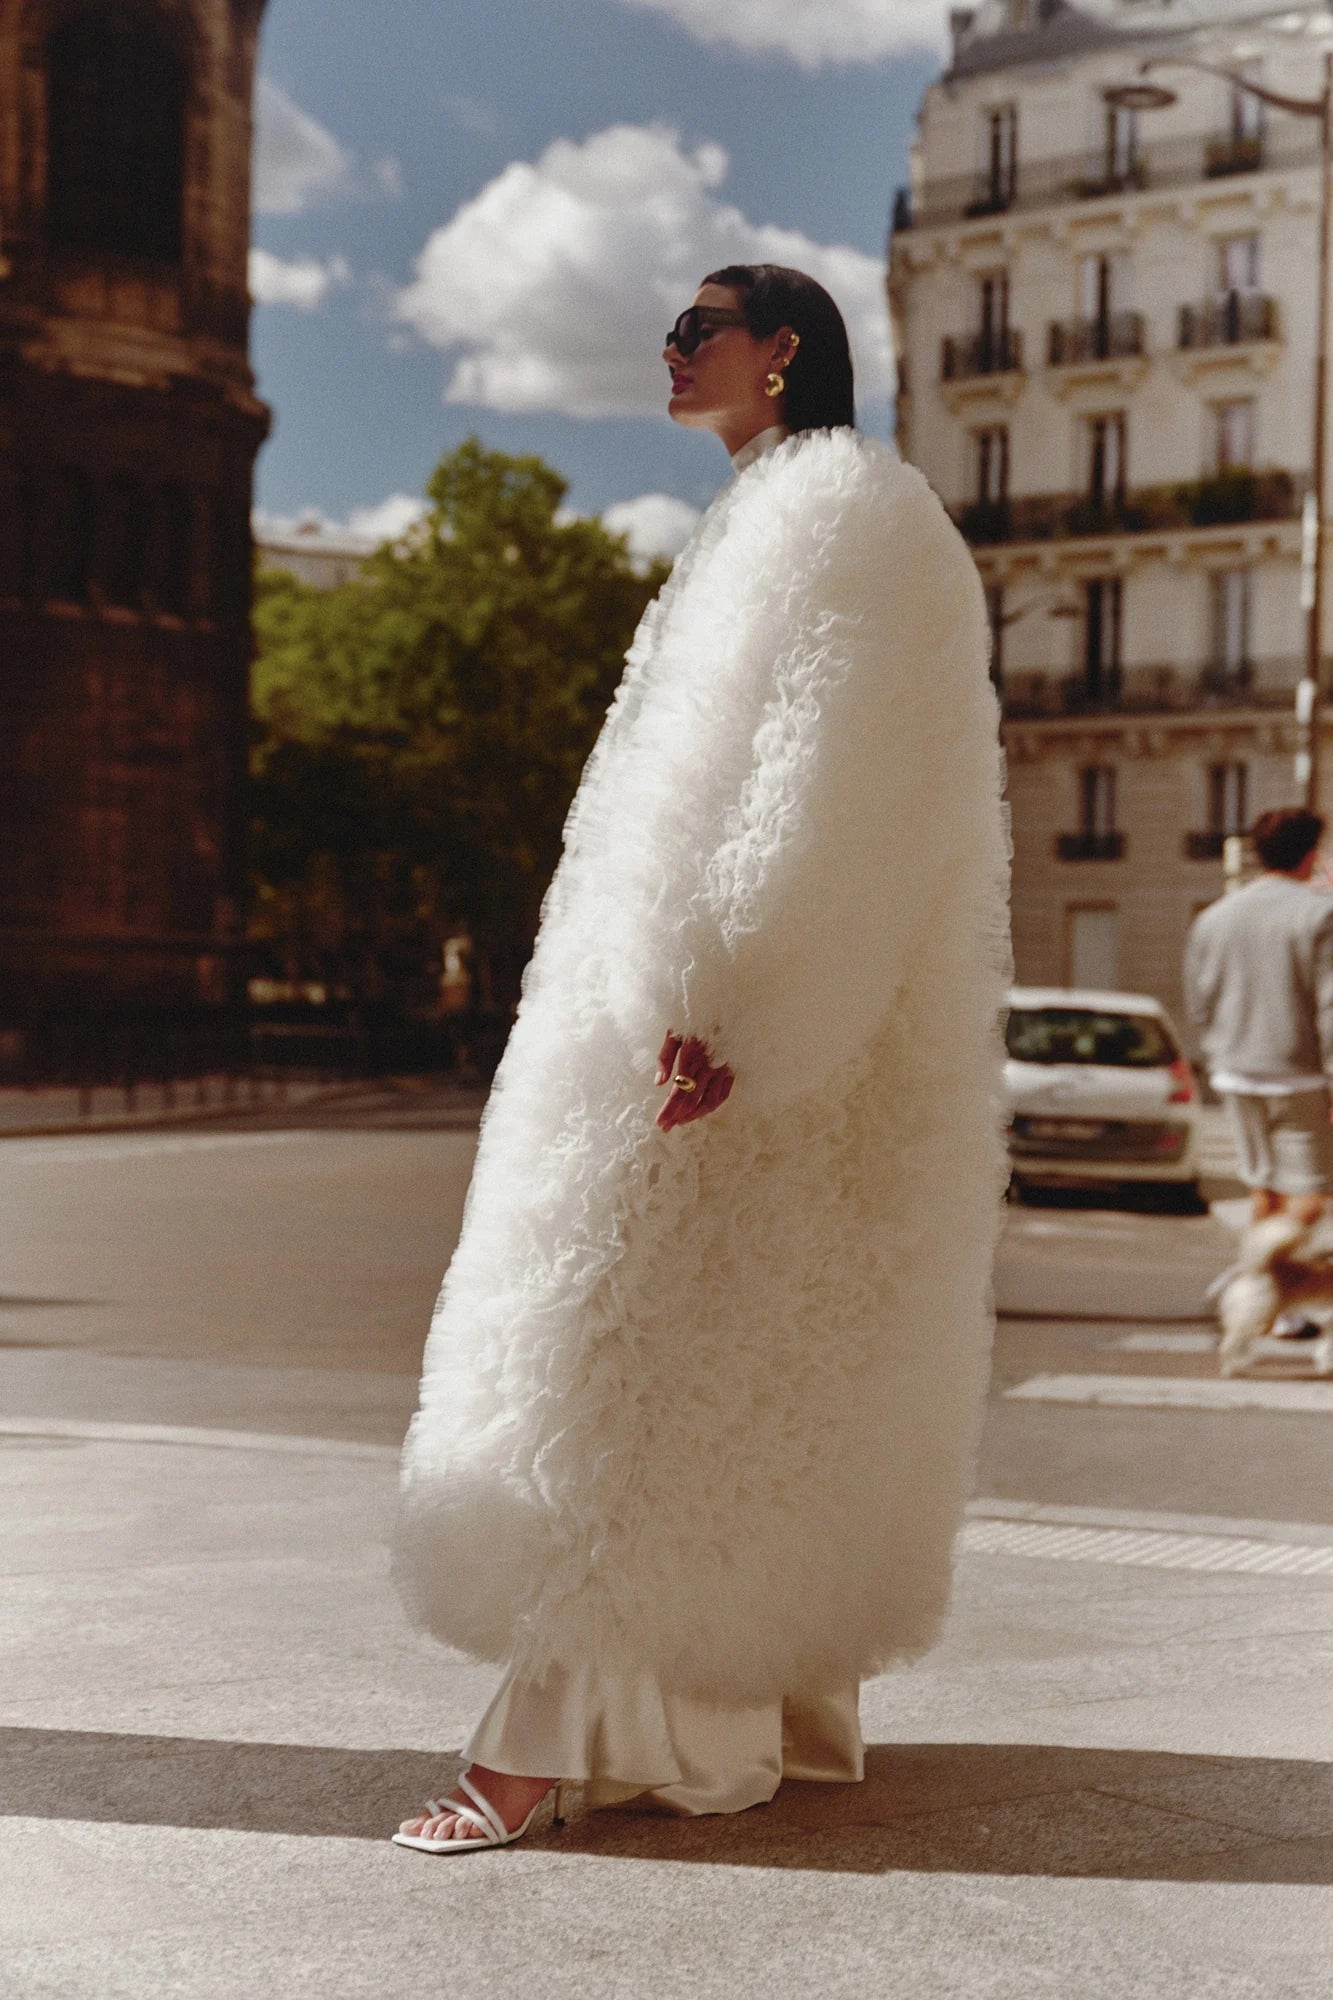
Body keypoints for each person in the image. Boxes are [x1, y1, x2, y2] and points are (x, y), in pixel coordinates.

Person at [391, 264, 1012, 1855]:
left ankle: (530, 1756)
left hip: (739, 1057)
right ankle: (767, 1705)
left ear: (780, 349)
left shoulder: (838, 516)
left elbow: (821, 791)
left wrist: (737, 1005)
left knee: (626, 1382)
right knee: (754, 1386)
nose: (669, 351)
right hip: (765, 1058)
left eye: (698, 330)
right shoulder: (796, 511)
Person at [1185, 806, 1333, 1232]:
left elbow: (1199, 1005)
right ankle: (1272, 1283)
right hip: (1299, 1078)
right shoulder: (1320, 913)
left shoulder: (1214, 917)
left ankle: (1260, 1282)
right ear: (1310, 853)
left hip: (1235, 1072)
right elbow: (1329, 1006)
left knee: (1264, 1191)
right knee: (1311, 1198)